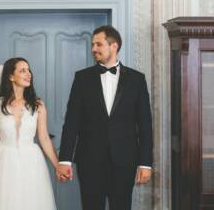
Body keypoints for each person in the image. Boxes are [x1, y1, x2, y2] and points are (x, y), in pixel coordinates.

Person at [56, 25, 153, 210]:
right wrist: (64, 159)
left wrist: (145, 163)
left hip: (125, 160)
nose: (94, 49)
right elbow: (71, 122)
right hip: (89, 160)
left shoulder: (136, 80)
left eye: (98, 44)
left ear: (114, 45)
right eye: (93, 44)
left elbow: (145, 125)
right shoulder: (82, 78)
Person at [0, 57, 58, 210]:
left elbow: (44, 138)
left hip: (32, 163)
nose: (28, 74)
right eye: (22, 70)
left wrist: (57, 165)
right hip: (3, 162)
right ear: (11, 76)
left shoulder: (38, 105)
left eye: (29, 70)